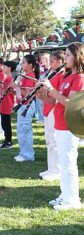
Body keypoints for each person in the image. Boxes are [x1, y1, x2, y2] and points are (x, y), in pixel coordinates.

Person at [39, 42, 84, 210]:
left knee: (68, 162)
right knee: (64, 162)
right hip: (59, 123)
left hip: (69, 125)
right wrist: (42, 93)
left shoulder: (79, 78)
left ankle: (73, 200)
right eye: (65, 55)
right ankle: (65, 195)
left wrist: (51, 89)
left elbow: (70, 103)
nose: (65, 58)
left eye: (68, 55)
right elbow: (53, 100)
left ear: (78, 57)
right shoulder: (65, 76)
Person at [38, 50, 64, 181]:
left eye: (52, 61)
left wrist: (44, 90)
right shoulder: (51, 74)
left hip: (55, 109)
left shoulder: (61, 75)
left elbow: (55, 96)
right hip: (48, 109)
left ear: (60, 62)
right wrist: (39, 93)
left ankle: (57, 170)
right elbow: (47, 96)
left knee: (54, 140)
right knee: (49, 139)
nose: (49, 64)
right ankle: (51, 168)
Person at [11, 54, 40, 162]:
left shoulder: (30, 76)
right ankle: (23, 153)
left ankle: (28, 155)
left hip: (27, 105)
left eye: (23, 62)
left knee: (25, 130)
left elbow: (29, 93)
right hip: (22, 105)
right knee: (21, 130)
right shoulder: (24, 75)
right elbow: (21, 92)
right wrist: (14, 89)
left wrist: (17, 87)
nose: (21, 64)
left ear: (30, 64)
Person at [0, 61, 17, 149]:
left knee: (6, 123)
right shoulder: (7, 78)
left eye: (4, 67)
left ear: (9, 68)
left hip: (7, 102)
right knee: (4, 123)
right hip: (4, 102)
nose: (3, 69)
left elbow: (6, 91)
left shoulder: (9, 79)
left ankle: (8, 141)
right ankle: (6, 140)